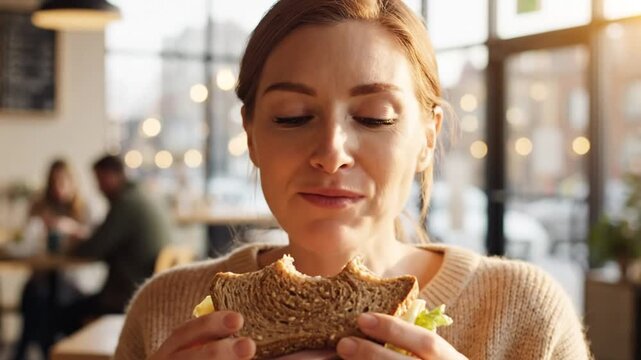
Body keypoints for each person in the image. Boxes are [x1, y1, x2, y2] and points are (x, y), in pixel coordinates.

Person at [115, 1, 592, 359]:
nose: (330, 154)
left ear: (429, 137)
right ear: (251, 136)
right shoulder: (165, 311)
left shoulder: (523, 315)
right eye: (292, 117)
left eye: (374, 117)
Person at [11, 159, 89, 360]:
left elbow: (95, 241)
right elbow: (27, 241)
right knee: (35, 293)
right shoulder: (39, 206)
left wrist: (73, 229)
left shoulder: (81, 208)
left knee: (45, 298)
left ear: (72, 182)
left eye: (63, 181)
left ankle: (29, 349)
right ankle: (40, 349)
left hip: (69, 280)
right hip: (41, 276)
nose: (58, 187)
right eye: (54, 182)